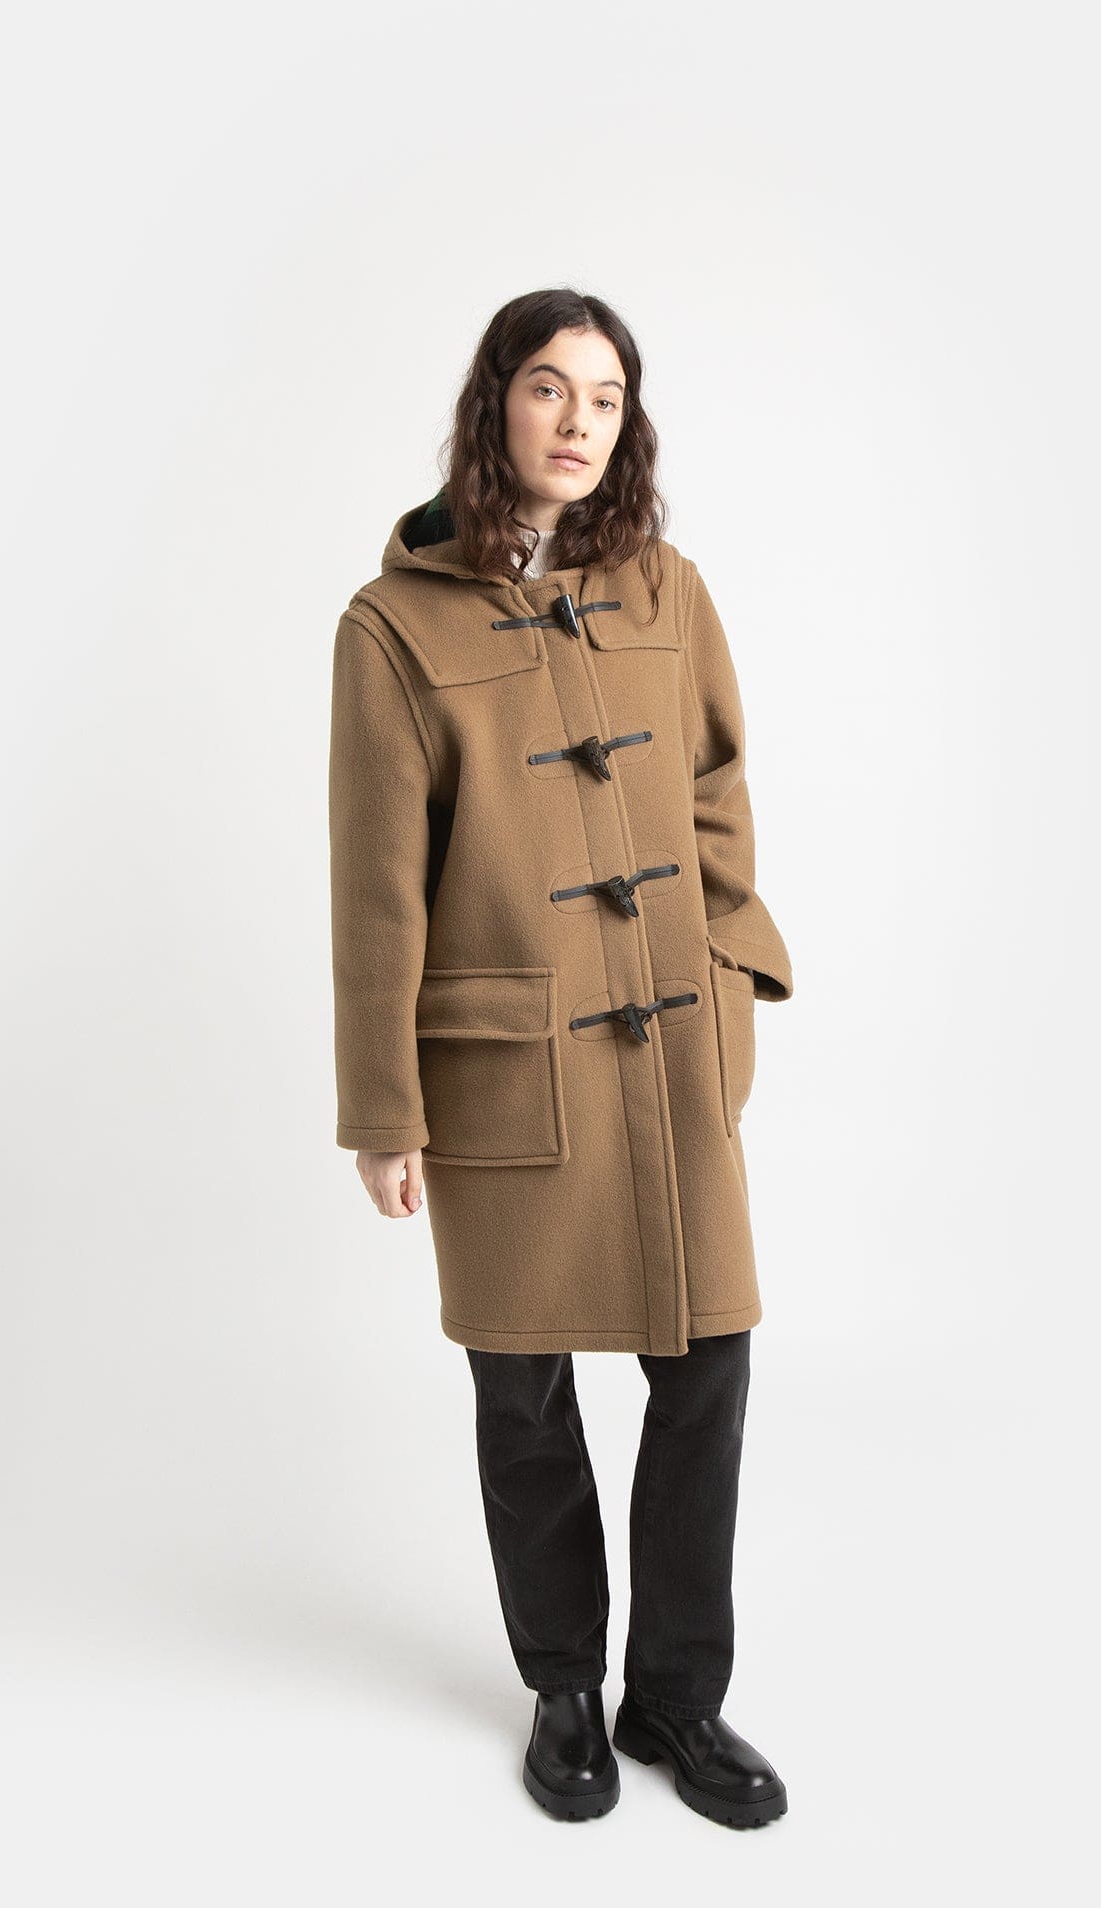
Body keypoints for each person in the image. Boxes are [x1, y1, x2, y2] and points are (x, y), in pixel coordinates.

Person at [328, 288, 795, 1827]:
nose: (579, 420)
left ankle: (679, 1699)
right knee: (523, 1389)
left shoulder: (668, 589)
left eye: (606, 394)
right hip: (505, 1062)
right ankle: (565, 1689)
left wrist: (731, 966)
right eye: (549, 387)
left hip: (671, 1044)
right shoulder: (394, 628)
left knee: (709, 1363)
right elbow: (378, 885)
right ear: (496, 405)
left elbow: (718, 790)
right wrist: (384, 1109)